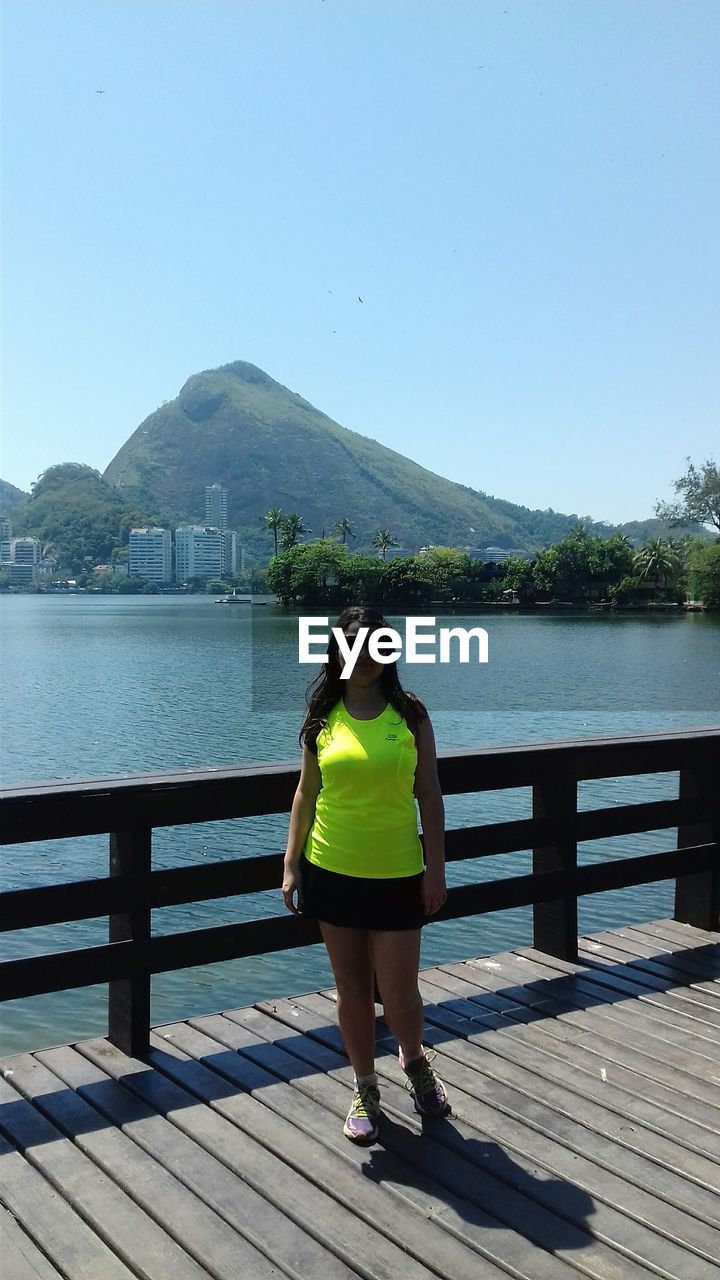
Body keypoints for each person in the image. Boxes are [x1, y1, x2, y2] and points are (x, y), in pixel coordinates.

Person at [282, 605, 452, 1144]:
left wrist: (435, 870)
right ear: (337, 652)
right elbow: (306, 794)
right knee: (351, 991)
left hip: (399, 872)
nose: (367, 654)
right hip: (331, 870)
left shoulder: (411, 714)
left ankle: (414, 1060)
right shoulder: (321, 716)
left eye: (379, 642)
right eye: (355, 643)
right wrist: (291, 863)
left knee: (401, 997)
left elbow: (429, 794)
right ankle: (364, 1084)